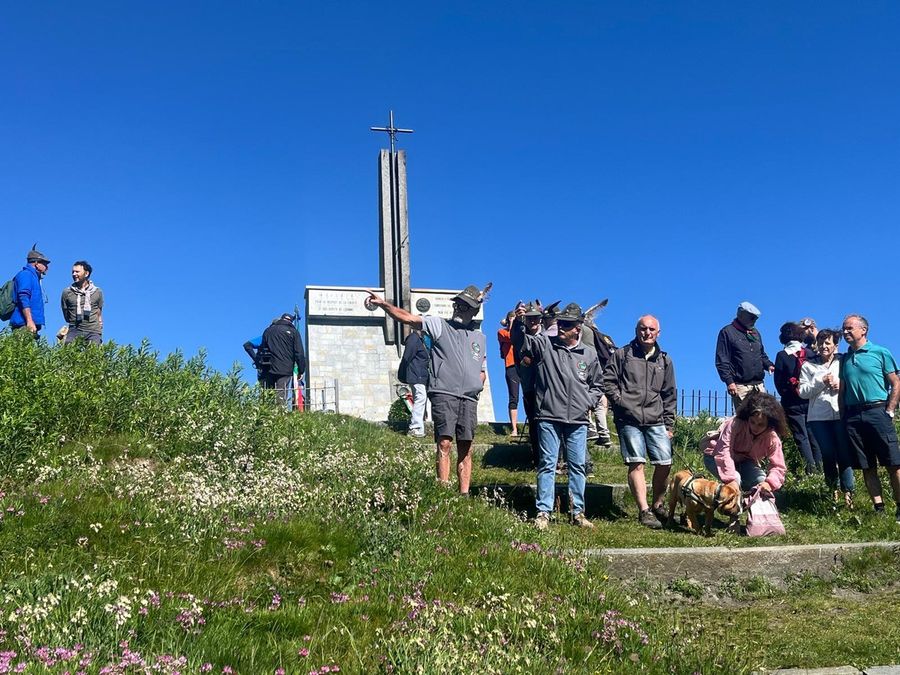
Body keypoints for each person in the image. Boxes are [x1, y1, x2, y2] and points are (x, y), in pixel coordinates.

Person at [366, 284, 489, 495]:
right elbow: (408, 318)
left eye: (464, 305)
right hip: (444, 393)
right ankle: (442, 492)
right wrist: (385, 305)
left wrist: (478, 384)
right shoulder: (438, 324)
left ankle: (464, 495)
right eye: (457, 304)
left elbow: (482, 367)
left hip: (469, 399)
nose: (458, 308)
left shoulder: (479, 338)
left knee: (466, 448)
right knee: (445, 443)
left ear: (474, 310)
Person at [513, 302, 602, 529]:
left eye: (567, 324)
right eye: (560, 323)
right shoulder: (544, 344)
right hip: (549, 416)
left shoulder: (589, 354)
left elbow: (597, 384)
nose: (561, 327)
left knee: (577, 466)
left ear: (578, 328)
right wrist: (521, 324)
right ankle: (543, 512)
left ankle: (577, 512)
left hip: (578, 419)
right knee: (547, 464)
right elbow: (522, 344)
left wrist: (587, 403)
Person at [601, 315, 677, 529]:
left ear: (658, 332)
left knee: (665, 462)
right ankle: (644, 510)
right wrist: (621, 402)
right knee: (637, 462)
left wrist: (669, 424)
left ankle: (658, 504)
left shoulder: (664, 360)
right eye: (643, 328)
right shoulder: (622, 354)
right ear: (636, 330)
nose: (647, 332)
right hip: (629, 419)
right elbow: (608, 381)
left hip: (656, 419)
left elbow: (669, 394)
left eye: (652, 329)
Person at [839, 314, 900, 520]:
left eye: (849, 328)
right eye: (844, 329)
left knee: (893, 463)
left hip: (878, 411)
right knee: (866, 465)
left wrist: (890, 410)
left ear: (863, 330)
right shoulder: (845, 359)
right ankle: (879, 509)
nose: (845, 332)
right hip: (854, 416)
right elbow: (843, 390)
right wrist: (843, 416)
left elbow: (896, 383)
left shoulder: (880, 352)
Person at [799, 329, 856, 507]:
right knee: (828, 454)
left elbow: (851, 381)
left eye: (828, 343)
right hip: (818, 417)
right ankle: (833, 492)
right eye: (821, 343)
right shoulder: (808, 365)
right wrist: (820, 381)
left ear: (835, 346)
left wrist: (839, 384)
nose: (824, 346)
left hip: (840, 413)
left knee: (844, 453)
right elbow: (802, 392)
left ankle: (849, 494)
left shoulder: (843, 361)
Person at [703, 391, 787, 499]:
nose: (755, 427)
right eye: (752, 422)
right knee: (735, 478)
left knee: (760, 481)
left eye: (761, 424)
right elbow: (723, 452)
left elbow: (778, 466)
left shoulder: (772, 438)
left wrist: (769, 484)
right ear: (747, 417)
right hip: (715, 456)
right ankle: (730, 506)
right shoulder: (734, 424)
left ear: (769, 424)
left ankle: (753, 506)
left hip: (745, 461)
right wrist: (731, 479)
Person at [773, 321, 821, 474]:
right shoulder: (811, 354)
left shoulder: (781, 355)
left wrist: (787, 394)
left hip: (792, 402)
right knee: (815, 436)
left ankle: (810, 470)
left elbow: (778, 382)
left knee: (801, 437)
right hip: (811, 400)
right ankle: (821, 469)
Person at [715, 301, 775, 411]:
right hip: (740, 387)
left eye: (756, 318)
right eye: (752, 318)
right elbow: (722, 360)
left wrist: (769, 365)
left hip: (759, 385)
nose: (754, 321)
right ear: (741, 315)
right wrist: (729, 382)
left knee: (763, 419)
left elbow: (761, 355)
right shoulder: (727, 332)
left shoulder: (755, 333)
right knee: (745, 421)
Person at [514, 301, 543, 465]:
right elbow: (515, 336)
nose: (533, 322)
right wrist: (518, 320)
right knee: (533, 422)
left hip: (547, 388)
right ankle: (538, 458)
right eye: (530, 318)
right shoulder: (521, 334)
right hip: (529, 387)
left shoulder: (547, 334)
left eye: (536, 318)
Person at [260, 313, 307, 409]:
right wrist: (301, 370)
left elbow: (262, 349)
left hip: (268, 367)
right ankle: (278, 418)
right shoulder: (293, 332)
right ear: (291, 321)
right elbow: (299, 353)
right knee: (281, 396)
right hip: (285, 368)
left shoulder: (268, 331)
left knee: (268, 395)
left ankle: (265, 416)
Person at [9, 246, 51, 337]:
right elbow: (23, 297)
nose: (47, 267)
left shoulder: (33, 277)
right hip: (23, 325)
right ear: (36, 263)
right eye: (44, 263)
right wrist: (29, 320)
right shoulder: (26, 275)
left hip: (28, 325)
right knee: (21, 350)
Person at [60, 260, 104, 345]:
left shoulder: (97, 292)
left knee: (94, 355)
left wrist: (100, 324)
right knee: (68, 353)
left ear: (86, 274)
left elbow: (99, 311)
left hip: (93, 331)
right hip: (74, 329)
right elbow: (65, 312)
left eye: (77, 272)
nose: (74, 274)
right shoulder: (67, 292)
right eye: (73, 272)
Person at [399, 329, 429, 438]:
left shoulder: (420, 340)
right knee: (420, 398)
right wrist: (402, 373)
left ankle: (418, 427)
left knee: (421, 398)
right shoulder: (414, 338)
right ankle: (415, 427)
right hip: (417, 375)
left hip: (419, 375)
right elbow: (407, 356)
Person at [497, 310, 520, 436]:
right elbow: (511, 337)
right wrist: (511, 323)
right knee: (513, 397)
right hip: (511, 365)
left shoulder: (521, 331)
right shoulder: (501, 332)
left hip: (523, 365)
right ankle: (514, 428)